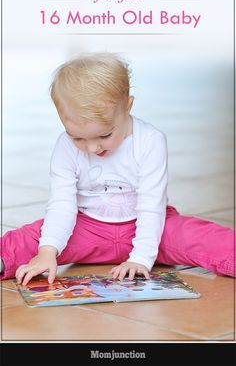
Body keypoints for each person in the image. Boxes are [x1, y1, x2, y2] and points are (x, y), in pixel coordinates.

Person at [1, 52, 235, 285]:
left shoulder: (150, 140)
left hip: (149, 227)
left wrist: (142, 258)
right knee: (31, 239)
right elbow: (62, 203)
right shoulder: (64, 146)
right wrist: (47, 251)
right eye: (77, 138)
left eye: (104, 135)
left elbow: (151, 204)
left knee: (200, 237)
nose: (91, 147)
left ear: (127, 106)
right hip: (86, 228)